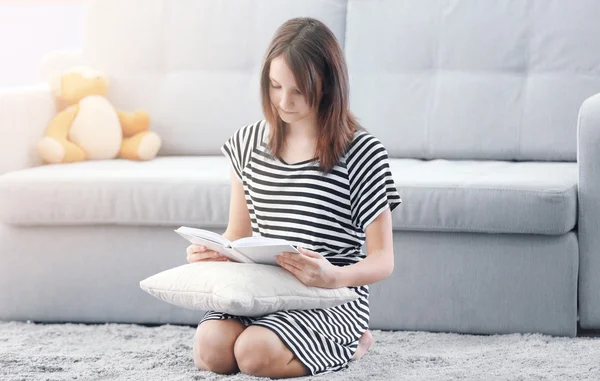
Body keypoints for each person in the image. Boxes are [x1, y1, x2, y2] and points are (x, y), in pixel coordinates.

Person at [186, 17, 401, 378]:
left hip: (328, 295)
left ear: (328, 86)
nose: (284, 101)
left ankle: (353, 344)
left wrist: (332, 276)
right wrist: (214, 252)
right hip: (260, 287)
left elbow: (383, 259)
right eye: (275, 85)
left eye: (298, 90)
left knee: (254, 355)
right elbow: (238, 234)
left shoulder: (362, 152)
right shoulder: (248, 143)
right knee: (212, 349)